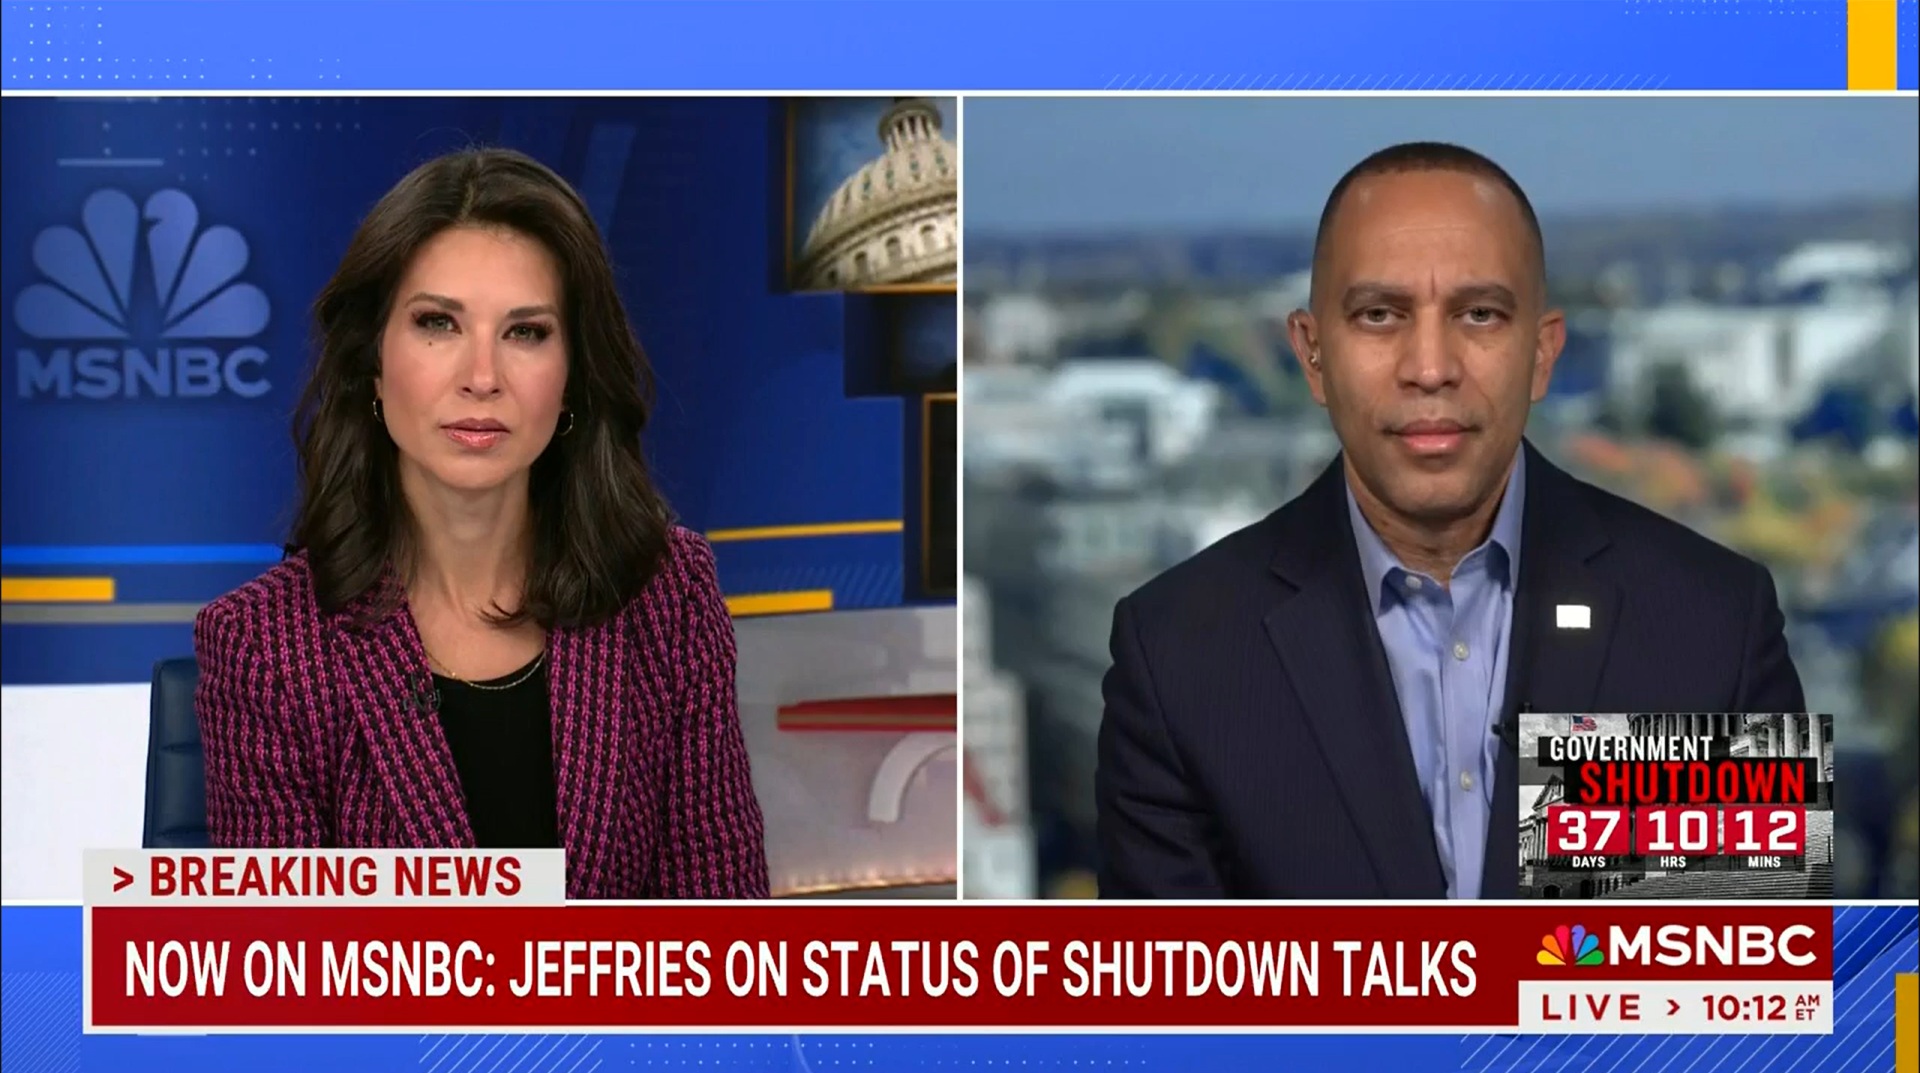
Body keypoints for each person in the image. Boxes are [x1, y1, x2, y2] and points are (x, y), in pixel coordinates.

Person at [1094, 142, 1805, 900]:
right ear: (1311, 355)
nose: (1430, 366)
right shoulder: (1180, 659)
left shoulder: (1708, 625)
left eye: (1479, 314)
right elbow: (1176, 1012)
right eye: (1378, 315)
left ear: (1541, 352)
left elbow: (1744, 995)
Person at [195, 148, 769, 899]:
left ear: (571, 376)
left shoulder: (667, 597)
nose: (482, 376)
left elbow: (724, 949)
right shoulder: (263, 646)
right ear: (373, 361)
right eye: (438, 323)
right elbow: (286, 989)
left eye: (525, 332)